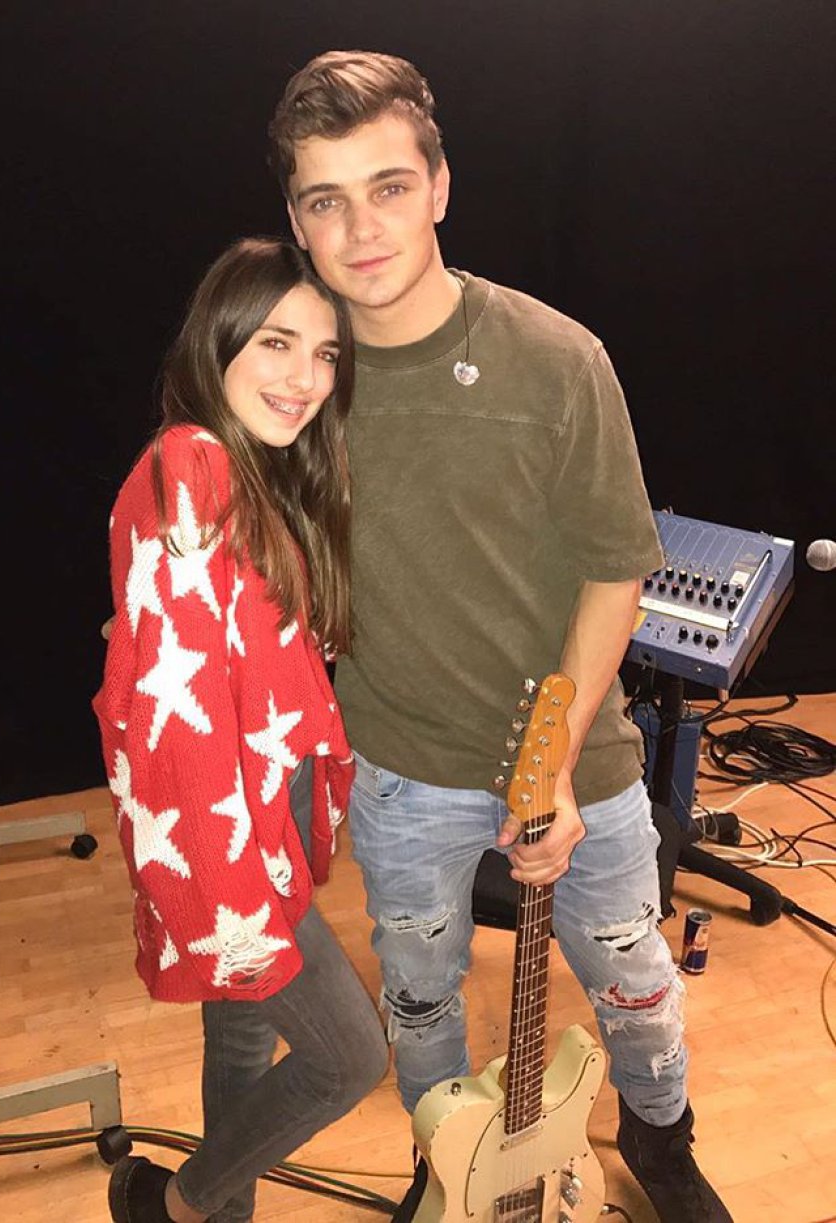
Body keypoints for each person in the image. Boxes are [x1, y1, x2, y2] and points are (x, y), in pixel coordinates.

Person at [267, 51, 732, 1223]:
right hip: (399, 767)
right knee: (419, 994)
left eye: (386, 187)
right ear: (296, 220)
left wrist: (555, 762)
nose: (359, 228)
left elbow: (614, 571)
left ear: (438, 186)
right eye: (324, 200)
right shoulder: (290, 376)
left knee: (631, 978)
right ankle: (449, 1159)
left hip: (577, 756)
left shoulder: (555, 359)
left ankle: (660, 1138)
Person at [93, 237, 387, 1223]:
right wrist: (231, 898)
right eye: (275, 342)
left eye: (324, 353)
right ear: (217, 338)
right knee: (348, 1055)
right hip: (229, 832)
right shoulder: (192, 464)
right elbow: (172, 721)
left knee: (242, 1038)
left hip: (266, 802)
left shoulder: (250, 470)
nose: (304, 377)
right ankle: (171, 1203)